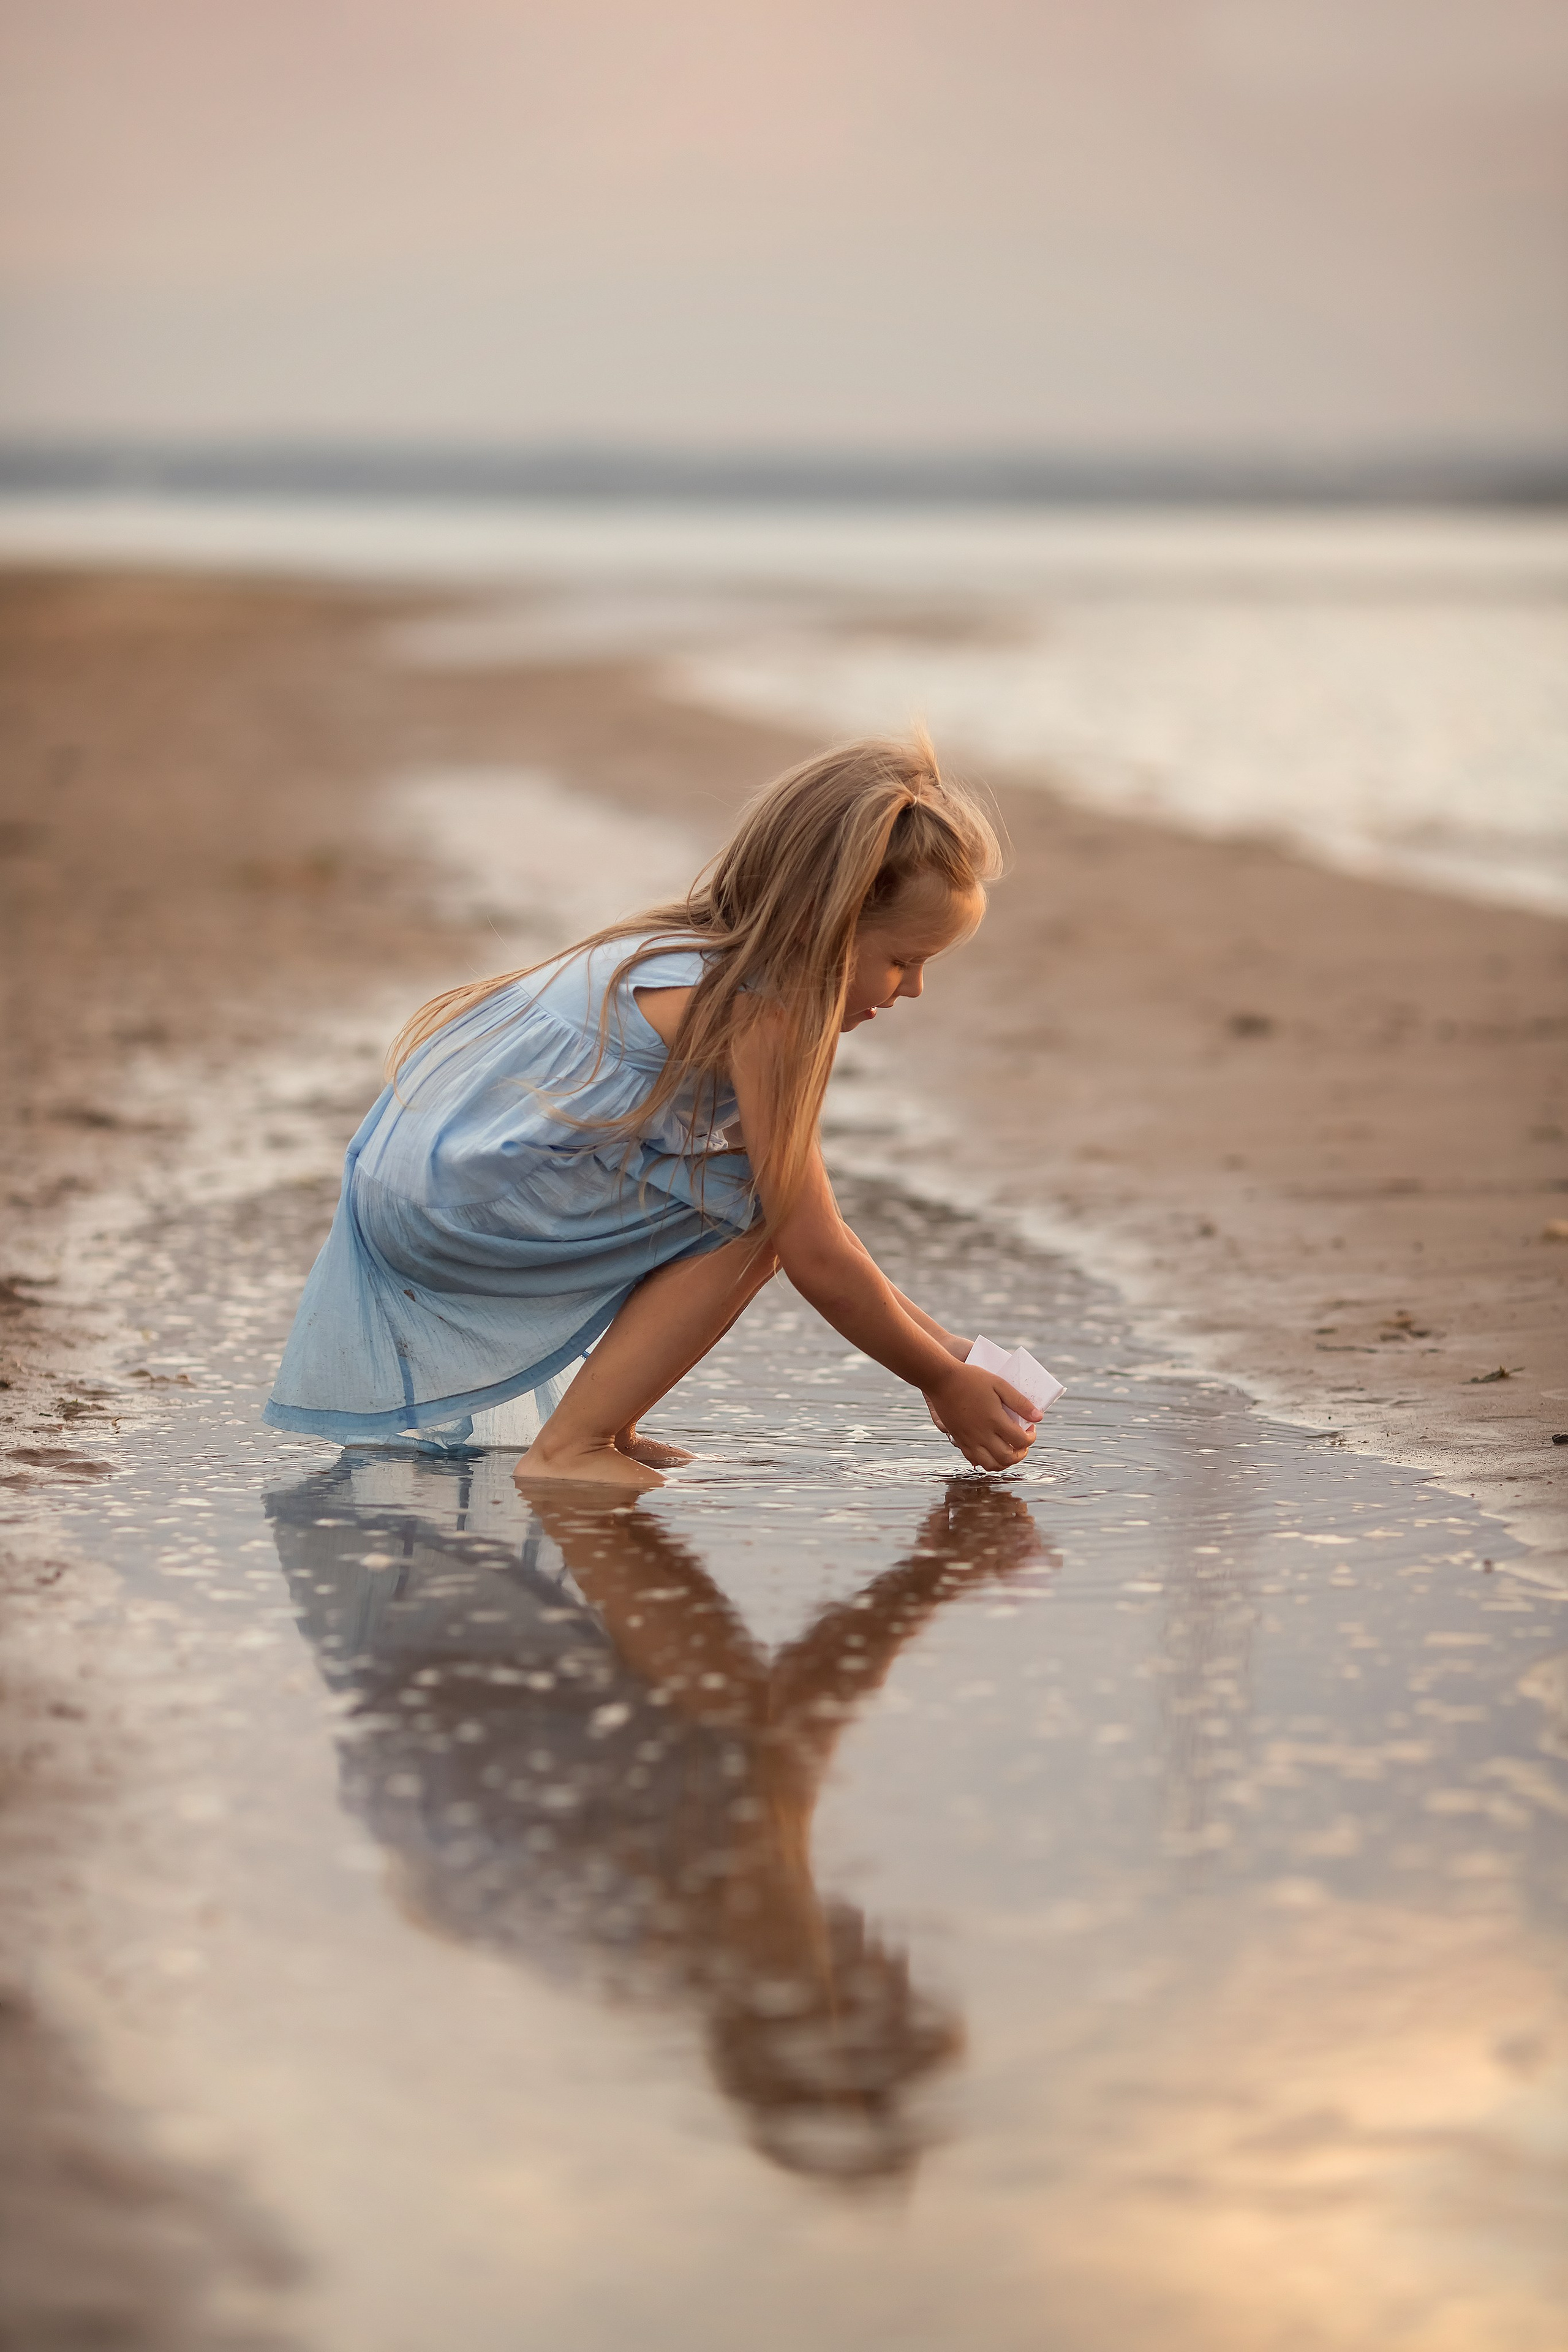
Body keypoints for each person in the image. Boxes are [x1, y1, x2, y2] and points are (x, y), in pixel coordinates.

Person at [264, 736, 1042, 1488]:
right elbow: (813, 1250)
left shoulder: (690, 948)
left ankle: (609, 1422)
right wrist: (939, 1379)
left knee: (748, 1194)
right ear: (824, 928)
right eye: (902, 961)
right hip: (463, 1206)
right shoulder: (768, 1015)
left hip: (421, 1185)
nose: (910, 991)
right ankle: (575, 1446)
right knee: (752, 1211)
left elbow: (820, 1225)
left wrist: (945, 1347)